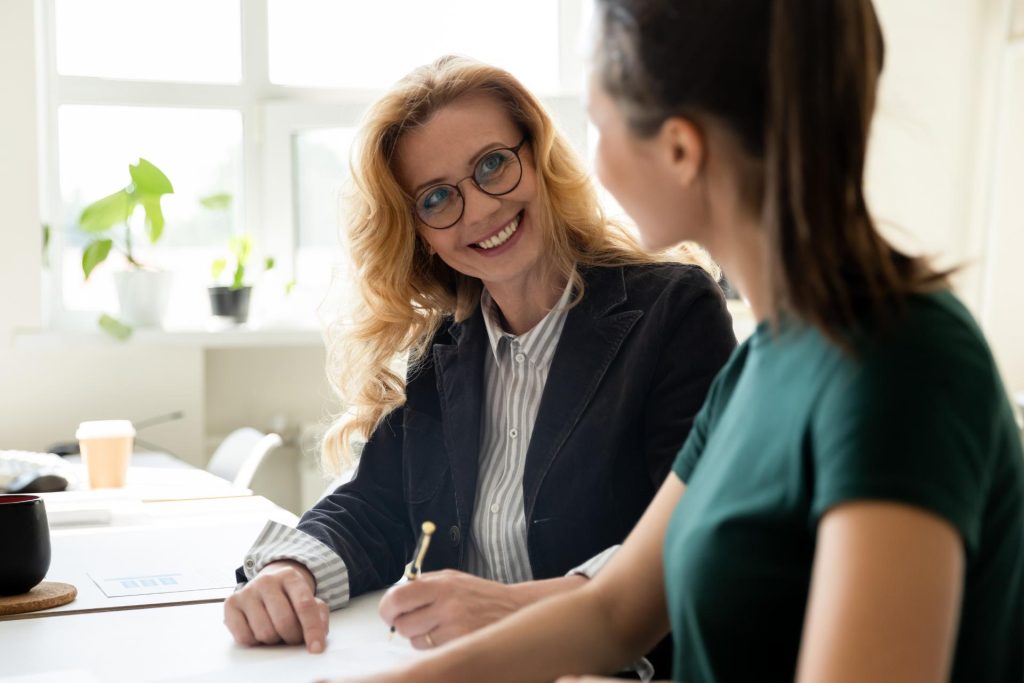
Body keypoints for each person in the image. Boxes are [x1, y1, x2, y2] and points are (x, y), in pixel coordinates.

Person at [328, 1, 1024, 682]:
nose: (586, 160)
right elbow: (612, 613)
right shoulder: (768, 357)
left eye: (597, 124)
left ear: (680, 149)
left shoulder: (898, 367)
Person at [223, 54, 736, 674]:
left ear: (539, 155)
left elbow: (700, 538)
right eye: (438, 197)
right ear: (419, 231)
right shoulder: (443, 351)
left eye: (492, 163)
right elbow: (374, 506)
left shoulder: (671, 311)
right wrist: (289, 568)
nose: (480, 210)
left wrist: (518, 607)